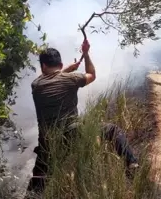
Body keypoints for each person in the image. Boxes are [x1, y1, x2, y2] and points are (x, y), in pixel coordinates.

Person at [26, 40, 139, 194]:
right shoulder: (72, 79)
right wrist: (85, 54)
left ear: (43, 66)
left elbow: (51, 78)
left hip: (48, 143)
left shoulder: (36, 85)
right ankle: (132, 164)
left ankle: (33, 195)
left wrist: (67, 70)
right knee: (112, 130)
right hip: (73, 134)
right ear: (60, 64)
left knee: (38, 186)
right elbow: (92, 74)